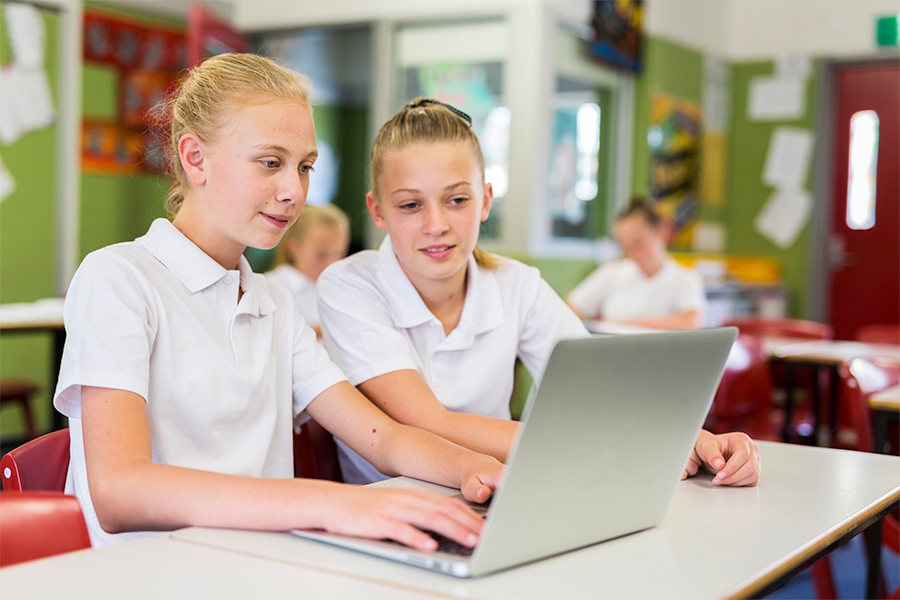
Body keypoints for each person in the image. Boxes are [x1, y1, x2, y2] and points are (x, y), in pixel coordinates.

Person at [53, 54, 502, 550]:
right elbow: (120, 492)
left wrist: (476, 468)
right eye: (270, 163)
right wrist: (328, 503)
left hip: (259, 569)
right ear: (195, 158)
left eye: (305, 167)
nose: (293, 191)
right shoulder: (119, 278)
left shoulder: (274, 302)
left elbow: (383, 437)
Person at [317, 99, 759, 487]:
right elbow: (426, 422)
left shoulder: (518, 284)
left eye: (457, 200)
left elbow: (598, 386)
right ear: (378, 210)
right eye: (411, 205)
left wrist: (691, 437)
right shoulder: (348, 285)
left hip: (506, 491)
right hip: (394, 510)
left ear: (486, 200)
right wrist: (623, 441)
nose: (437, 224)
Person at [566, 198, 708, 329]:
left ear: (659, 232)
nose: (632, 254)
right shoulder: (611, 273)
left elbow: (691, 322)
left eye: (638, 243)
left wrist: (618, 324)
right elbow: (570, 309)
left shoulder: (685, 278)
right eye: (625, 246)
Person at [266, 204, 350, 336]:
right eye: (321, 255)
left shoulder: (341, 287)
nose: (332, 262)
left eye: (339, 254)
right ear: (292, 248)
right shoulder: (271, 286)